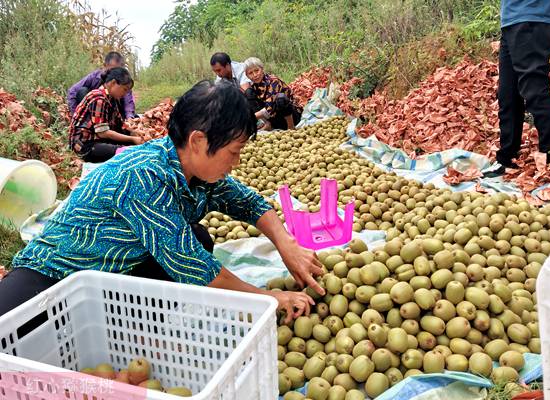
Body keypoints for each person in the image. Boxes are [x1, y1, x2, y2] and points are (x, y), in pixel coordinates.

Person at [0, 80, 324, 324]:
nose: (236, 163)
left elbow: (248, 202)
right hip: (51, 277)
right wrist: (270, 299)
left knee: (198, 237)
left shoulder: (198, 172)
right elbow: (193, 266)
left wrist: (287, 245)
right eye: (234, 152)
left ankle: (133, 325)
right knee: (14, 338)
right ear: (199, 141)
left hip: (111, 274)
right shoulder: (144, 177)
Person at [485, 0, 550, 177]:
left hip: (532, 17)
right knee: (508, 94)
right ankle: (506, 159)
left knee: (534, 89)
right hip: (512, 20)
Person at [69, 67, 148, 163]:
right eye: (124, 89)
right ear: (113, 83)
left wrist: (132, 132)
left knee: (132, 143)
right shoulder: (98, 98)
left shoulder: (112, 99)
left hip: (99, 139)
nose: (125, 94)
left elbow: (120, 124)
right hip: (85, 145)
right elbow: (103, 132)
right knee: (126, 153)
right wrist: (132, 138)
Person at [67, 51, 136, 119]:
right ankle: (88, 120)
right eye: (112, 69)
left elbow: (128, 102)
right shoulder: (95, 78)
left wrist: (129, 117)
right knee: (82, 91)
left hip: (113, 113)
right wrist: (75, 114)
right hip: (95, 110)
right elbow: (72, 91)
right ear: (105, 65)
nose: (115, 74)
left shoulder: (123, 81)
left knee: (133, 116)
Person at [243, 57, 303, 131]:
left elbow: (270, 108)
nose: (255, 75)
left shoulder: (274, 81)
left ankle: (291, 127)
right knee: (248, 93)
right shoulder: (253, 88)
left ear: (262, 69)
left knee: (280, 98)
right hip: (275, 120)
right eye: (250, 73)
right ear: (247, 76)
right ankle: (267, 125)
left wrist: (249, 118)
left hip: (291, 116)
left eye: (257, 70)